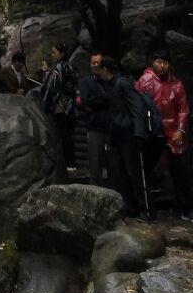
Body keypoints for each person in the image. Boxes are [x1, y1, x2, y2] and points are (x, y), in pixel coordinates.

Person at [137, 48, 193, 222]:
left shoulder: (177, 84)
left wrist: (181, 130)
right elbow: (137, 106)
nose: (162, 66)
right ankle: (147, 210)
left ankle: (187, 208)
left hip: (173, 132)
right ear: (153, 62)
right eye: (159, 62)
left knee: (182, 172)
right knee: (145, 170)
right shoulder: (144, 81)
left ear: (170, 65)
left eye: (165, 63)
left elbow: (183, 109)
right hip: (152, 132)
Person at [96, 56, 151, 221]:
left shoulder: (123, 84)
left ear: (106, 70)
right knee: (120, 173)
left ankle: (146, 210)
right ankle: (130, 207)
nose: (99, 74)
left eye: (100, 70)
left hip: (130, 135)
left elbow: (137, 107)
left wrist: (139, 133)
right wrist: (110, 140)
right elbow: (115, 114)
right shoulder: (111, 86)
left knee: (134, 173)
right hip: (119, 135)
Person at [40, 42, 78, 168]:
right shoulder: (70, 67)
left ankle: (66, 164)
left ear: (61, 54)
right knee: (68, 135)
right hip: (70, 106)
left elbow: (50, 88)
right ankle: (71, 163)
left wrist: (45, 105)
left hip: (60, 107)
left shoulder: (58, 69)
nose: (52, 55)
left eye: (54, 52)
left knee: (62, 135)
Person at [77, 52, 111, 185]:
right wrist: (105, 100)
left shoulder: (109, 81)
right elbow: (86, 100)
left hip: (111, 127)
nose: (96, 65)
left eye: (98, 63)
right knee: (95, 164)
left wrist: (97, 101)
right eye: (93, 63)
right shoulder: (86, 81)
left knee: (112, 164)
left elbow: (114, 98)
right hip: (95, 126)